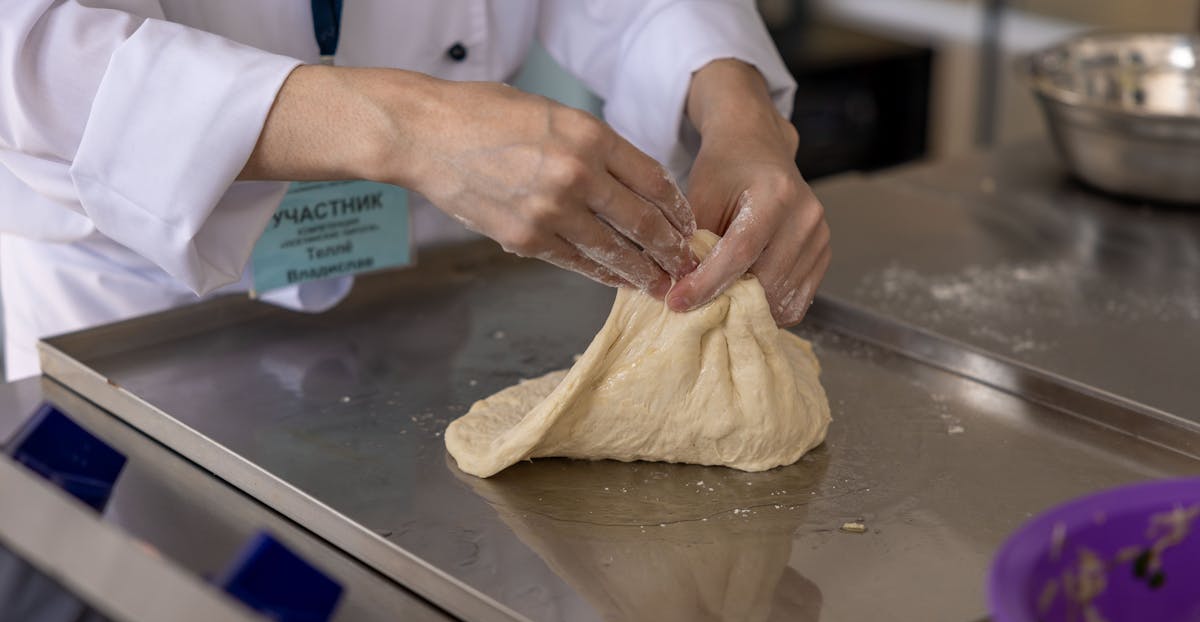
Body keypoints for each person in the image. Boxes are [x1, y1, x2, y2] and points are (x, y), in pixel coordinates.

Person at [0, 1, 831, 381]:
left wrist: (736, 105)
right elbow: (29, 54)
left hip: (425, 291)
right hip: (136, 318)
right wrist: (408, 126)